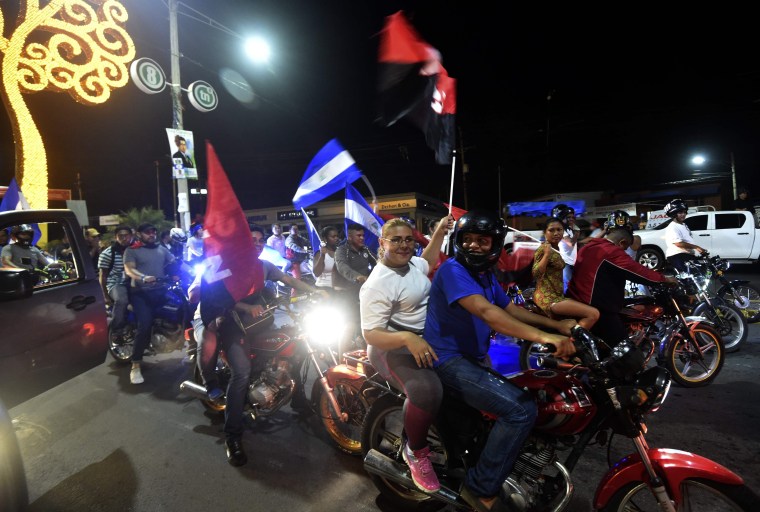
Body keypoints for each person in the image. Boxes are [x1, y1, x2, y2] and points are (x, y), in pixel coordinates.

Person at [424, 210, 576, 511]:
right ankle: (480, 489)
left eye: (483, 240)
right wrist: (545, 338)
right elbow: (489, 314)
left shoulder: (484, 274)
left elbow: (508, 308)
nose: (474, 246)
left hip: (474, 358)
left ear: (494, 244)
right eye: (468, 240)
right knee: (520, 409)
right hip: (448, 360)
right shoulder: (454, 270)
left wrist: (556, 326)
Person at [195, 225, 327, 466]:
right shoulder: (228, 268)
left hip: (260, 322)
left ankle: (298, 401)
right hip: (233, 324)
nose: (256, 243)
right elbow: (219, 299)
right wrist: (246, 307)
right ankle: (232, 436)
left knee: (294, 348)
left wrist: (315, 291)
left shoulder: (263, 266)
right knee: (242, 372)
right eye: (251, 240)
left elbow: (288, 279)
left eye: (259, 240)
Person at [360, 215, 452, 492]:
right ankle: (416, 451)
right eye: (396, 240)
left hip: (423, 342)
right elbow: (371, 333)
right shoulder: (377, 283)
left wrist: (438, 231)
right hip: (390, 348)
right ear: (382, 242)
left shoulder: (412, 264)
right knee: (427, 391)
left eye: (408, 239)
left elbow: (429, 260)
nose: (403, 245)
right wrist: (406, 337)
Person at [567, 227, 677, 346]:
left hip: (576, 298)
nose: (625, 251)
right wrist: (665, 279)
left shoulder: (589, 246)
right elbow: (638, 271)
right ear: (622, 242)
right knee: (624, 351)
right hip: (597, 305)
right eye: (625, 247)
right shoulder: (611, 252)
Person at [123, 222, 177, 385]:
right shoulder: (132, 251)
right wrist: (143, 277)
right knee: (145, 325)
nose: (151, 234)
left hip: (160, 290)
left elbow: (174, 262)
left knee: (183, 309)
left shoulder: (161, 249)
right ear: (139, 234)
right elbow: (129, 270)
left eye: (153, 231)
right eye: (147, 232)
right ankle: (136, 365)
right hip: (141, 293)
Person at [532, 217, 600, 329]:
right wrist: (546, 255)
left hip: (558, 295)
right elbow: (536, 274)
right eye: (551, 230)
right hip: (548, 298)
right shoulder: (544, 250)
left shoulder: (555, 248)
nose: (556, 233)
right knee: (593, 314)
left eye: (559, 230)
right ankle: (574, 342)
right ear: (545, 232)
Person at [333, 223, 377, 333]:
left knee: (369, 324)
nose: (362, 238)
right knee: (350, 326)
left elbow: (378, 263)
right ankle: (343, 350)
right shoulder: (342, 250)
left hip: (365, 292)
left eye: (363, 235)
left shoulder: (365, 249)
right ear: (350, 236)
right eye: (359, 235)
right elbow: (342, 267)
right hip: (348, 294)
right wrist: (358, 277)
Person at [98, 225, 134, 338]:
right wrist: (105, 296)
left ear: (131, 236)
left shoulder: (137, 250)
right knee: (122, 300)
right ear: (116, 237)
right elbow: (103, 276)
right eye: (120, 236)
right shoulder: (108, 254)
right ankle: (116, 331)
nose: (124, 238)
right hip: (116, 283)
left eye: (126, 235)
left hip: (135, 282)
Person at [663, 198, 705, 273]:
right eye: (680, 212)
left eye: (685, 212)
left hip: (687, 255)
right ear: (674, 214)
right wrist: (696, 247)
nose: (684, 214)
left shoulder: (683, 225)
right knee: (694, 277)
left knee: (703, 272)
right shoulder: (673, 227)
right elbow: (678, 243)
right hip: (678, 256)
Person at [552, 204, 579, 293]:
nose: (571, 219)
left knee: (572, 286)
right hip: (565, 263)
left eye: (572, 217)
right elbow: (571, 243)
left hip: (573, 262)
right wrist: (577, 234)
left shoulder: (569, 230)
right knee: (567, 287)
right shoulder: (561, 230)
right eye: (568, 217)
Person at [313, 225, 339, 290]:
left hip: (338, 288)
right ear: (325, 239)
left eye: (337, 236)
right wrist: (322, 256)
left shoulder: (340, 252)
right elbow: (316, 273)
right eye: (333, 236)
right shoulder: (319, 253)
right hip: (323, 288)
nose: (336, 238)